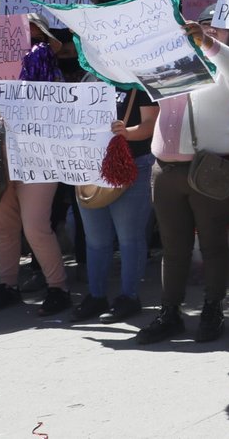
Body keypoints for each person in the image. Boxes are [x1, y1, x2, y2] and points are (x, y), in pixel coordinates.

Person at [136, 17, 229, 345]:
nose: (207, 30)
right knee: (173, 248)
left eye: (217, 27)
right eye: (202, 25)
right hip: (165, 172)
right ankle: (169, 313)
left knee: (214, 245)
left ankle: (212, 310)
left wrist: (208, 43)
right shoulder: (173, 64)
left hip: (209, 172)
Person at [0, 14, 74, 316]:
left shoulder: (54, 78)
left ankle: (58, 288)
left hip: (38, 155)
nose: (30, 43)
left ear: (47, 43)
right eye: (23, 37)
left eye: (36, 38)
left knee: (35, 226)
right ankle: (7, 285)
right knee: (3, 226)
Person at [72, 84, 159, 324]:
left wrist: (127, 133)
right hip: (90, 167)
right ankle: (96, 295)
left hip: (132, 166)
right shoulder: (89, 79)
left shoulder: (138, 85)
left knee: (129, 237)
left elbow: (151, 124)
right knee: (95, 239)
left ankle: (129, 297)